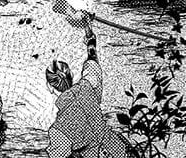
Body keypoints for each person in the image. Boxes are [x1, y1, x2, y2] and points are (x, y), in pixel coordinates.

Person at [45, 19, 132, 158]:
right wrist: (89, 35)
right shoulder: (88, 86)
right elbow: (92, 60)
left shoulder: (58, 130)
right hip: (120, 152)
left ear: (49, 87)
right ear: (71, 75)